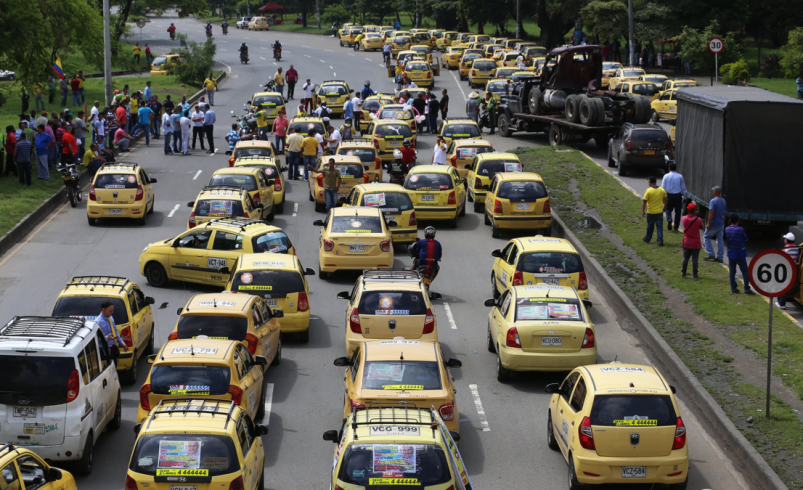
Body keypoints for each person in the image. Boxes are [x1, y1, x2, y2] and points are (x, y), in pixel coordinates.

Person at [724, 214, 754, 295]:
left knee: (732, 271)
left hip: (730, 253)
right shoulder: (740, 229)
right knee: (745, 271)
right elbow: (745, 239)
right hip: (740, 253)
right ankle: (747, 289)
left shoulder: (727, 229)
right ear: (738, 221)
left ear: (730, 221)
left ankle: (734, 288)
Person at [642, 176, 667, 245]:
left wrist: (643, 211)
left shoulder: (648, 191)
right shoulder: (662, 190)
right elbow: (666, 199)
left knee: (650, 226)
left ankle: (647, 238)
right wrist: (665, 207)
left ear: (650, 182)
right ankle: (660, 240)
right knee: (659, 226)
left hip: (650, 212)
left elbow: (644, 201)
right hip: (659, 212)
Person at [704, 186, 727, 262]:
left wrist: (708, 223)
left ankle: (711, 254)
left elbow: (711, 213)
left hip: (714, 223)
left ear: (715, 192)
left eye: (713, 190)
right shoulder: (723, 201)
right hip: (721, 223)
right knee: (720, 240)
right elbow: (724, 213)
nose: (712, 191)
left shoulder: (713, 201)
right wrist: (722, 221)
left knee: (706, 237)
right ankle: (720, 257)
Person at [661, 162, 686, 231]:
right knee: (678, 211)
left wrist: (663, 197)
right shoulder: (680, 176)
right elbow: (683, 188)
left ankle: (669, 218)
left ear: (669, 169)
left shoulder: (666, 176)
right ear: (676, 168)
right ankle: (676, 227)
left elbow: (663, 187)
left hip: (669, 195)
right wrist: (685, 197)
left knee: (668, 209)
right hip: (678, 196)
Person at [681, 202, 703, 279]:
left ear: (687, 209)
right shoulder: (698, 219)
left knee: (685, 258)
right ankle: (695, 275)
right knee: (695, 259)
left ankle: (683, 274)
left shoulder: (684, 218)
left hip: (687, 241)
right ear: (695, 210)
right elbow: (701, 226)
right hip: (696, 243)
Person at [778, 233, 800, 310]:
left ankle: (781, 303)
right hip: (794, 269)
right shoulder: (797, 248)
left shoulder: (785, 249)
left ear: (786, 240)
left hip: (786, 269)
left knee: (781, 286)